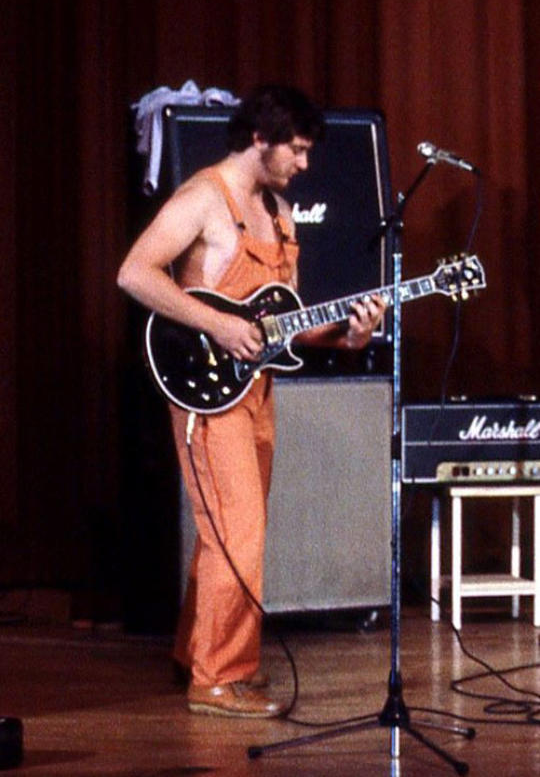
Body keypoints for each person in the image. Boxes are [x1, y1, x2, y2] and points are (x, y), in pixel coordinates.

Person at [117, 85, 386, 719]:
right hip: (207, 391)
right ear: (260, 139)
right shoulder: (203, 198)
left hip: (256, 390)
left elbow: (285, 323)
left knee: (231, 529)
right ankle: (218, 679)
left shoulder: (280, 213)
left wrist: (348, 335)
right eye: (297, 150)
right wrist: (216, 324)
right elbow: (134, 272)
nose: (305, 163)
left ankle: (197, 653)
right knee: (237, 530)